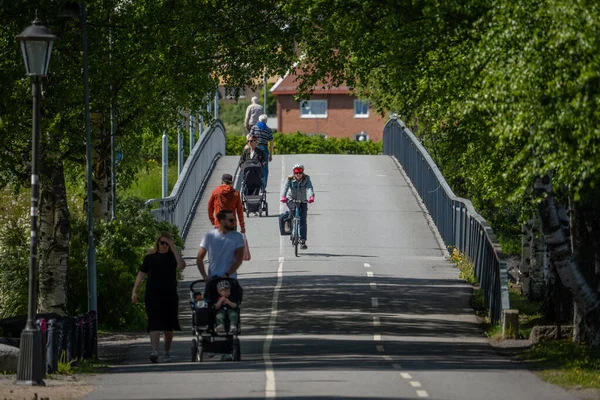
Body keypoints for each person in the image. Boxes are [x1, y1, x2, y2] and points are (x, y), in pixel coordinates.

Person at [132, 232, 186, 363]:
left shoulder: (172, 257)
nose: (164, 246)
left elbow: (181, 265)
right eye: (162, 243)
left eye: (167, 243)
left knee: (168, 328)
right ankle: (154, 351)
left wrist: (173, 248)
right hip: (153, 294)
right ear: (158, 243)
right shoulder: (150, 258)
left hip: (170, 295)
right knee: (154, 324)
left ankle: (166, 352)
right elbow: (141, 274)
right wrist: (135, 291)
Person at [196, 209, 245, 281]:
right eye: (231, 220)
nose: (234, 222)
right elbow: (199, 258)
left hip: (230, 279)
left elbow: (239, 260)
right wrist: (204, 276)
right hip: (213, 278)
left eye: (234, 220)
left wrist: (227, 274)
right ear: (222, 221)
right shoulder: (209, 236)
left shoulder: (238, 237)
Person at [280, 163, 315, 249]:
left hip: (302, 201)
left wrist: (311, 196)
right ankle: (290, 224)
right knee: (294, 211)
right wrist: (283, 196)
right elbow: (285, 187)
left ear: (302, 172)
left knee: (303, 220)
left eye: (300, 172)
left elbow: (309, 188)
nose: (298, 174)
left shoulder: (306, 178)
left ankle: (303, 241)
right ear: (293, 173)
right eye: (296, 173)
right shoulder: (290, 179)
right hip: (291, 199)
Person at [249, 114, 274, 189]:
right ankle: (263, 188)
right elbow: (271, 143)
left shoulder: (254, 128)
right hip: (264, 149)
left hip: (255, 148)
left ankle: (255, 186)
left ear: (259, 120)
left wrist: (250, 149)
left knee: (254, 166)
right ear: (266, 121)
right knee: (265, 168)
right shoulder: (268, 130)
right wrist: (270, 155)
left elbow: (249, 138)